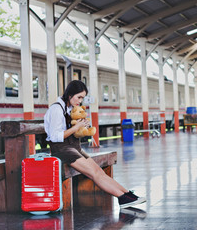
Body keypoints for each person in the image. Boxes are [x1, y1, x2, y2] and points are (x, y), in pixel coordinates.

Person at [44, 80, 146, 208]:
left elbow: (73, 131)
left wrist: (82, 127)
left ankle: (127, 194)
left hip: (73, 147)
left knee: (99, 171)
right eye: (79, 97)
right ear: (70, 95)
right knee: (94, 173)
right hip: (62, 150)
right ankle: (122, 198)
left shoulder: (70, 109)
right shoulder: (56, 109)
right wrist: (77, 127)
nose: (80, 101)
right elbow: (54, 137)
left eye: (82, 98)